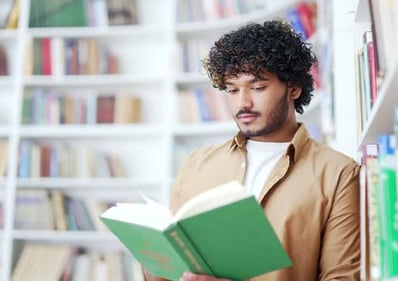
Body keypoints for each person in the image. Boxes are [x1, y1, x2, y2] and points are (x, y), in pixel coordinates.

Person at [145, 19, 360, 281]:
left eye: (257, 87)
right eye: (232, 90)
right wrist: (153, 261)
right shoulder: (196, 164)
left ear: (293, 88)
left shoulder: (339, 174)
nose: (242, 103)